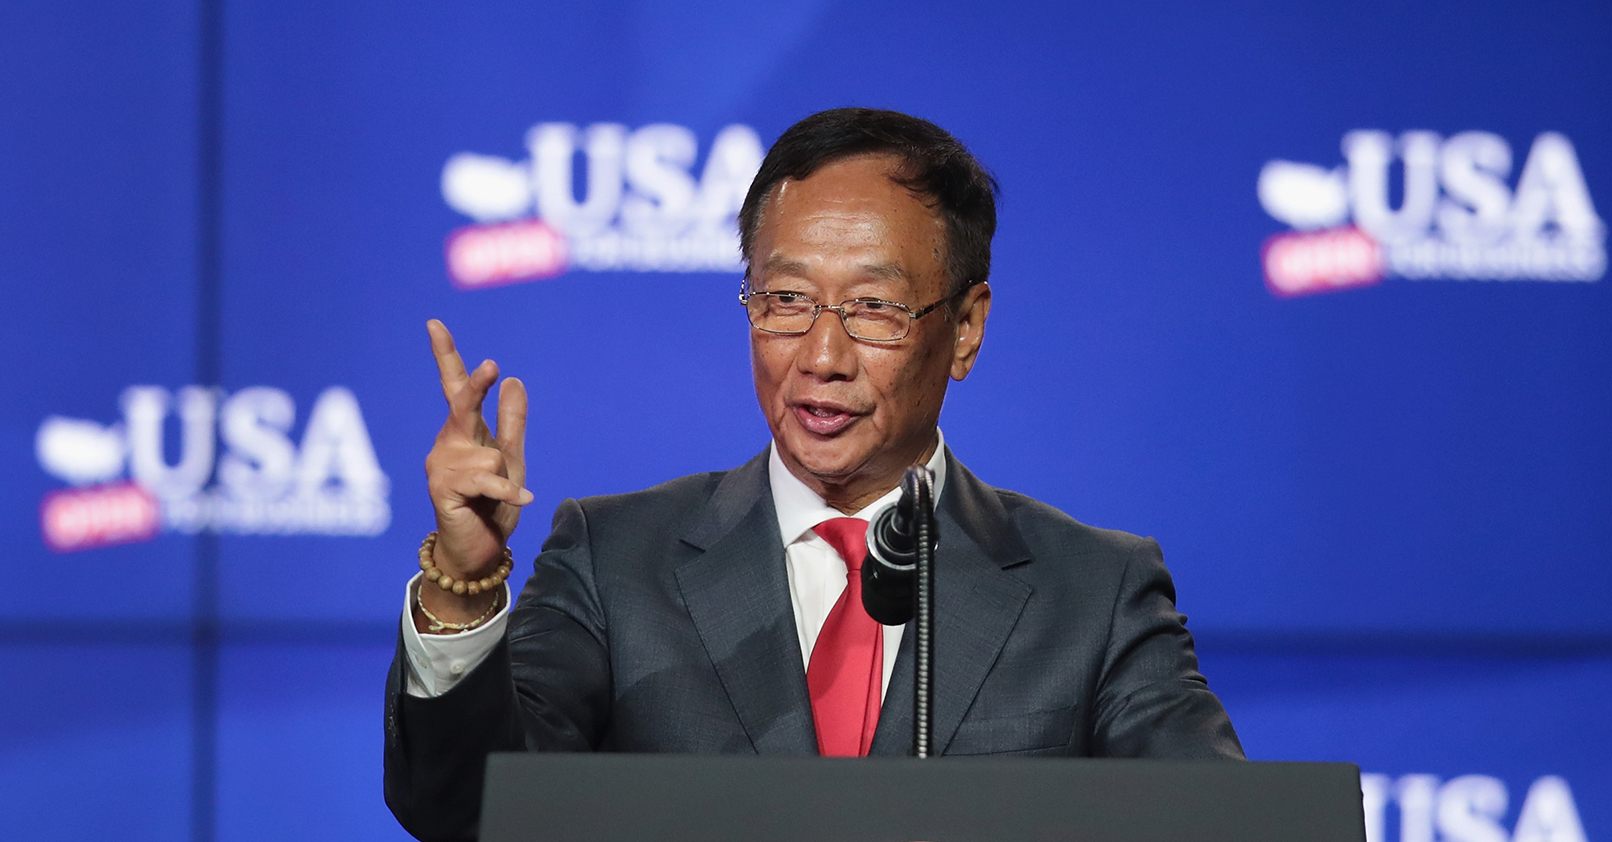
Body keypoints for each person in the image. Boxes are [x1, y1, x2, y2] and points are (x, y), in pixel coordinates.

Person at [384, 108, 1243, 842]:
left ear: (967, 329)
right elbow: (466, 810)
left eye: (874, 307)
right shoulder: (614, 561)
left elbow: (1223, 824)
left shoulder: (1091, 592)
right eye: (786, 300)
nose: (821, 357)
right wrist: (462, 583)